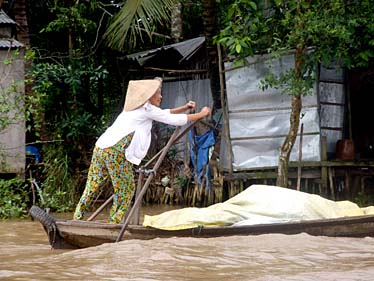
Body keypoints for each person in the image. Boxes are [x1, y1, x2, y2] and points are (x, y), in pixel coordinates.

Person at [73, 78, 211, 223]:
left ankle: (76, 219)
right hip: (115, 152)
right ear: (149, 96)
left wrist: (184, 108)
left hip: (101, 147)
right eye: (158, 93)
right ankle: (114, 224)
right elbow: (172, 119)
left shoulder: (135, 108)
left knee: (92, 186)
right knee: (126, 190)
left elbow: (162, 113)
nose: (161, 96)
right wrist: (202, 114)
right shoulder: (146, 109)